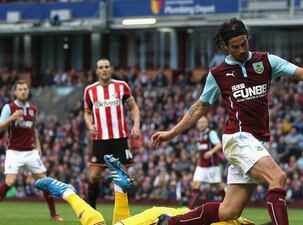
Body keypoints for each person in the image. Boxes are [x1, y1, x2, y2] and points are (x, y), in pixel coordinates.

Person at [151, 18, 303, 225]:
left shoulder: (266, 61)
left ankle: (169, 223)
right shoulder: (218, 74)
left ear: (248, 39)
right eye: (235, 46)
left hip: (256, 141)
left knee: (229, 211)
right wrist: (171, 133)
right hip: (238, 137)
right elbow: (199, 107)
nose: (241, 49)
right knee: (278, 178)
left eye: (244, 43)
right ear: (225, 46)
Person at [34, 155, 257, 225]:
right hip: (161, 220)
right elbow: (211, 211)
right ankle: (67, 192)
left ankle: (120, 189)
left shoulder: (243, 222)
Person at [0, 79, 63, 221]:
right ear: (15, 92)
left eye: (25, 89)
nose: (23, 91)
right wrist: (12, 118)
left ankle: (54, 213)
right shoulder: (8, 108)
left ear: (28, 91)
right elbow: (0, 128)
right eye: (20, 89)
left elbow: (33, 129)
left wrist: (39, 146)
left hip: (30, 152)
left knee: (45, 182)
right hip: (14, 151)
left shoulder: (33, 109)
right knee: (10, 181)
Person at [83, 58, 141, 209]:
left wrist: (136, 125)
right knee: (94, 175)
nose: (104, 69)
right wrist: (89, 124)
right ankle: (92, 210)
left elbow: (134, 107)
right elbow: (87, 112)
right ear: (97, 71)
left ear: (111, 69)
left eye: (106, 67)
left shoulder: (121, 86)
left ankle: (122, 214)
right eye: (101, 67)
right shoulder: (90, 90)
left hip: (119, 138)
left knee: (124, 177)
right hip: (100, 139)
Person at [188, 116, 225, 209]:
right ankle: (190, 208)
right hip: (201, 165)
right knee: (195, 184)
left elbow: (219, 145)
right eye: (199, 122)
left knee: (217, 185)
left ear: (207, 123)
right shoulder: (198, 135)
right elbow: (200, 152)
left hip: (212, 165)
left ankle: (226, 203)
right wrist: (197, 163)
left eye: (203, 122)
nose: (201, 124)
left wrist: (211, 152)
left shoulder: (211, 133)